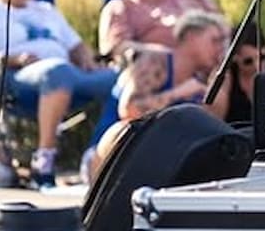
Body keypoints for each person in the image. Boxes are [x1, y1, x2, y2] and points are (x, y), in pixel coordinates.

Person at [0, 0, 117, 187]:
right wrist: (14, 58)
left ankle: (96, 156)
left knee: (119, 79)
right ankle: (44, 161)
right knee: (56, 71)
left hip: (68, 74)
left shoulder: (46, 10)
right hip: (16, 79)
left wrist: (88, 61)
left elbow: (77, 46)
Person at [89, 11, 231, 179]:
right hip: (108, 157)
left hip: (159, 161)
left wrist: (221, 89)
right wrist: (178, 93)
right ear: (191, 37)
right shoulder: (156, 60)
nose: (220, 49)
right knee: (123, 130)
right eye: (215, 41)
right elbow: (130, 110)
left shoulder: (203, 79)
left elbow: (213, 129)